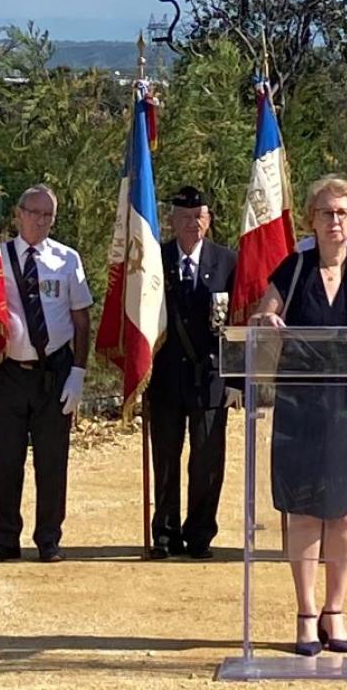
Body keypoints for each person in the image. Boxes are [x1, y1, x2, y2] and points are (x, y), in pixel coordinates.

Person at [251, 175, 347, 656]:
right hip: (301, 407)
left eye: (342, 212)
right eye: (325, 212)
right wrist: (267, 321)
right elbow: (263, 316)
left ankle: (334, 611)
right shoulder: (294, 267)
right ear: (311, 220)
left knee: (344, 514)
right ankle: (304, 612)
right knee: (302, 513)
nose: (334, 221)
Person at [0, 183, 92, 564]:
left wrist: (78, 371)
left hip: (54, 372)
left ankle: (49, 539)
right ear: (18, 214)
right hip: (10, 372)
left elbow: (81, 319)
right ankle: (5, 540)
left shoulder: (66, 259)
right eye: (34, 212)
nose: (40, 221)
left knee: (52, 460)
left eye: (48, 215)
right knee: (6, 461)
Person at [146, 185, 238, 560]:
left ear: (209, 220)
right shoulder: (154, 260)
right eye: (184, 217)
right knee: (165, 460)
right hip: (166, 378)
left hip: (211, 379)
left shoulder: (228, 262)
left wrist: (237, 380)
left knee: (207, 462)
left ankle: (200, 534)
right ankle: (165, 535)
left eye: (198, 217)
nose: (192, 224)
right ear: (171, 220)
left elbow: (238, 320)